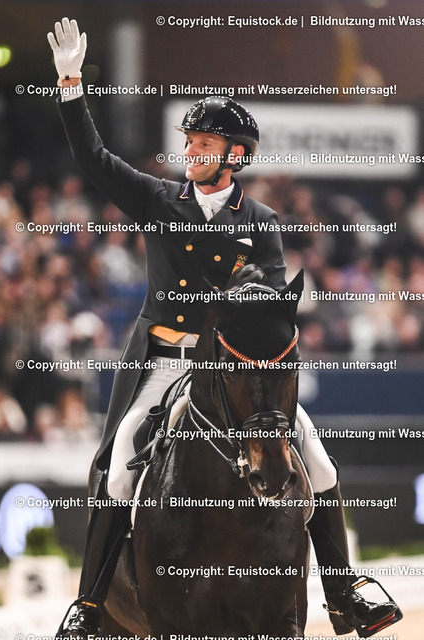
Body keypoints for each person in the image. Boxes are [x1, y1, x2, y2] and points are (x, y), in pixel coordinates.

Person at [48, 18, 401, 639]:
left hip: (233, 366)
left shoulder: (260, 220)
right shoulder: (158, 199)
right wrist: (71, 85)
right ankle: (89, 605)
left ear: (235, 155)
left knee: (318, 463)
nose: (192, 152)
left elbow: (268, 301)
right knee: (120, 464)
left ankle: (346, 591)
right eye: (190, 142)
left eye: (205, 143)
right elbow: (93, 160)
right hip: (164, 360)